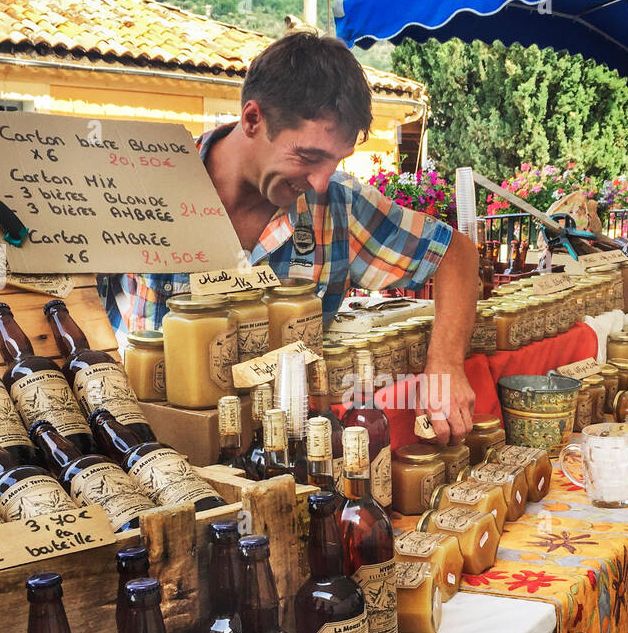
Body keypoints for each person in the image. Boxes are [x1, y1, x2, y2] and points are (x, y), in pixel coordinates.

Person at [98, 32, 479, 443]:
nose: (320, 181)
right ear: (252, 119)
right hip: (153, 451)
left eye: (335, 161)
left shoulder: (340, 204)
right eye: (309, 156)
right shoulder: (143, 185)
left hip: (290, 455)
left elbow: (454, 253)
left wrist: (445, 364)